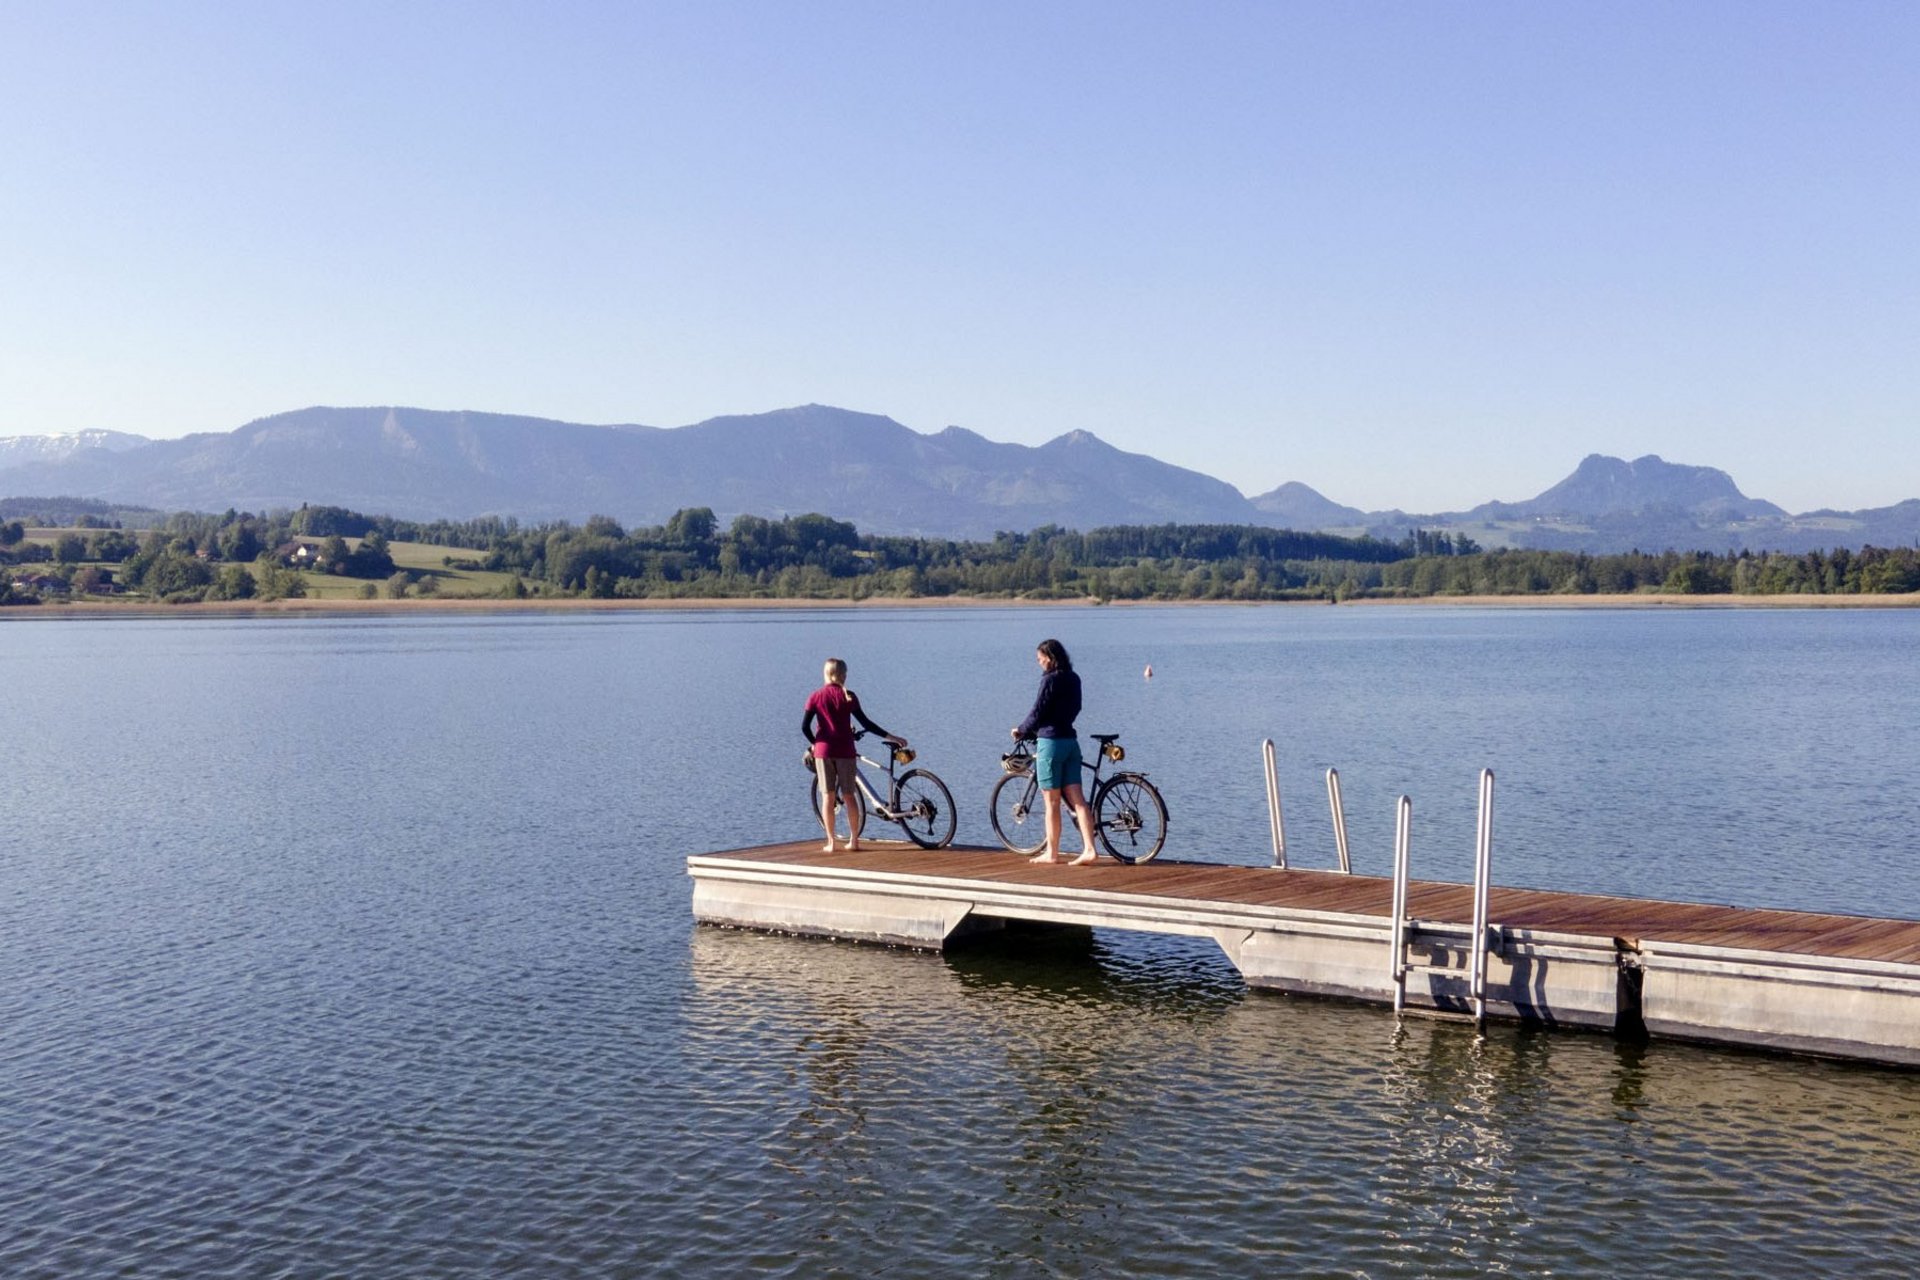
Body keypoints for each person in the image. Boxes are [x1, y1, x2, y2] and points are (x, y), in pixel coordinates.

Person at [1012, 638, 1102, 865]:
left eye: (1040, 658)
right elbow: (1077, 707)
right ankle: (1090, 848)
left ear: (1050, 658)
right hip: (1071, 742)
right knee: (1078, 800)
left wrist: (1021, 730)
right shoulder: (1074, 678)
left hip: (1050, 744)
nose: (1039, 662)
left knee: (1051, 802)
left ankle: (1051, 853)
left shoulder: (1049, 680)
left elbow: (1038, 711)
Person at [802, 658, 904, 852]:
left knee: (828, 797)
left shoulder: (815, 696)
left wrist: (815, 744)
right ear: (844, 675)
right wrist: (892, 736)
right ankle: (854, 841)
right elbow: (866, 723)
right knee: (849, 796)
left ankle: (831, 843)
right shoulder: (848, 696)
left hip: (824, 752)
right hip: (846, 751)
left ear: (825, 674)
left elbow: (804, 727)